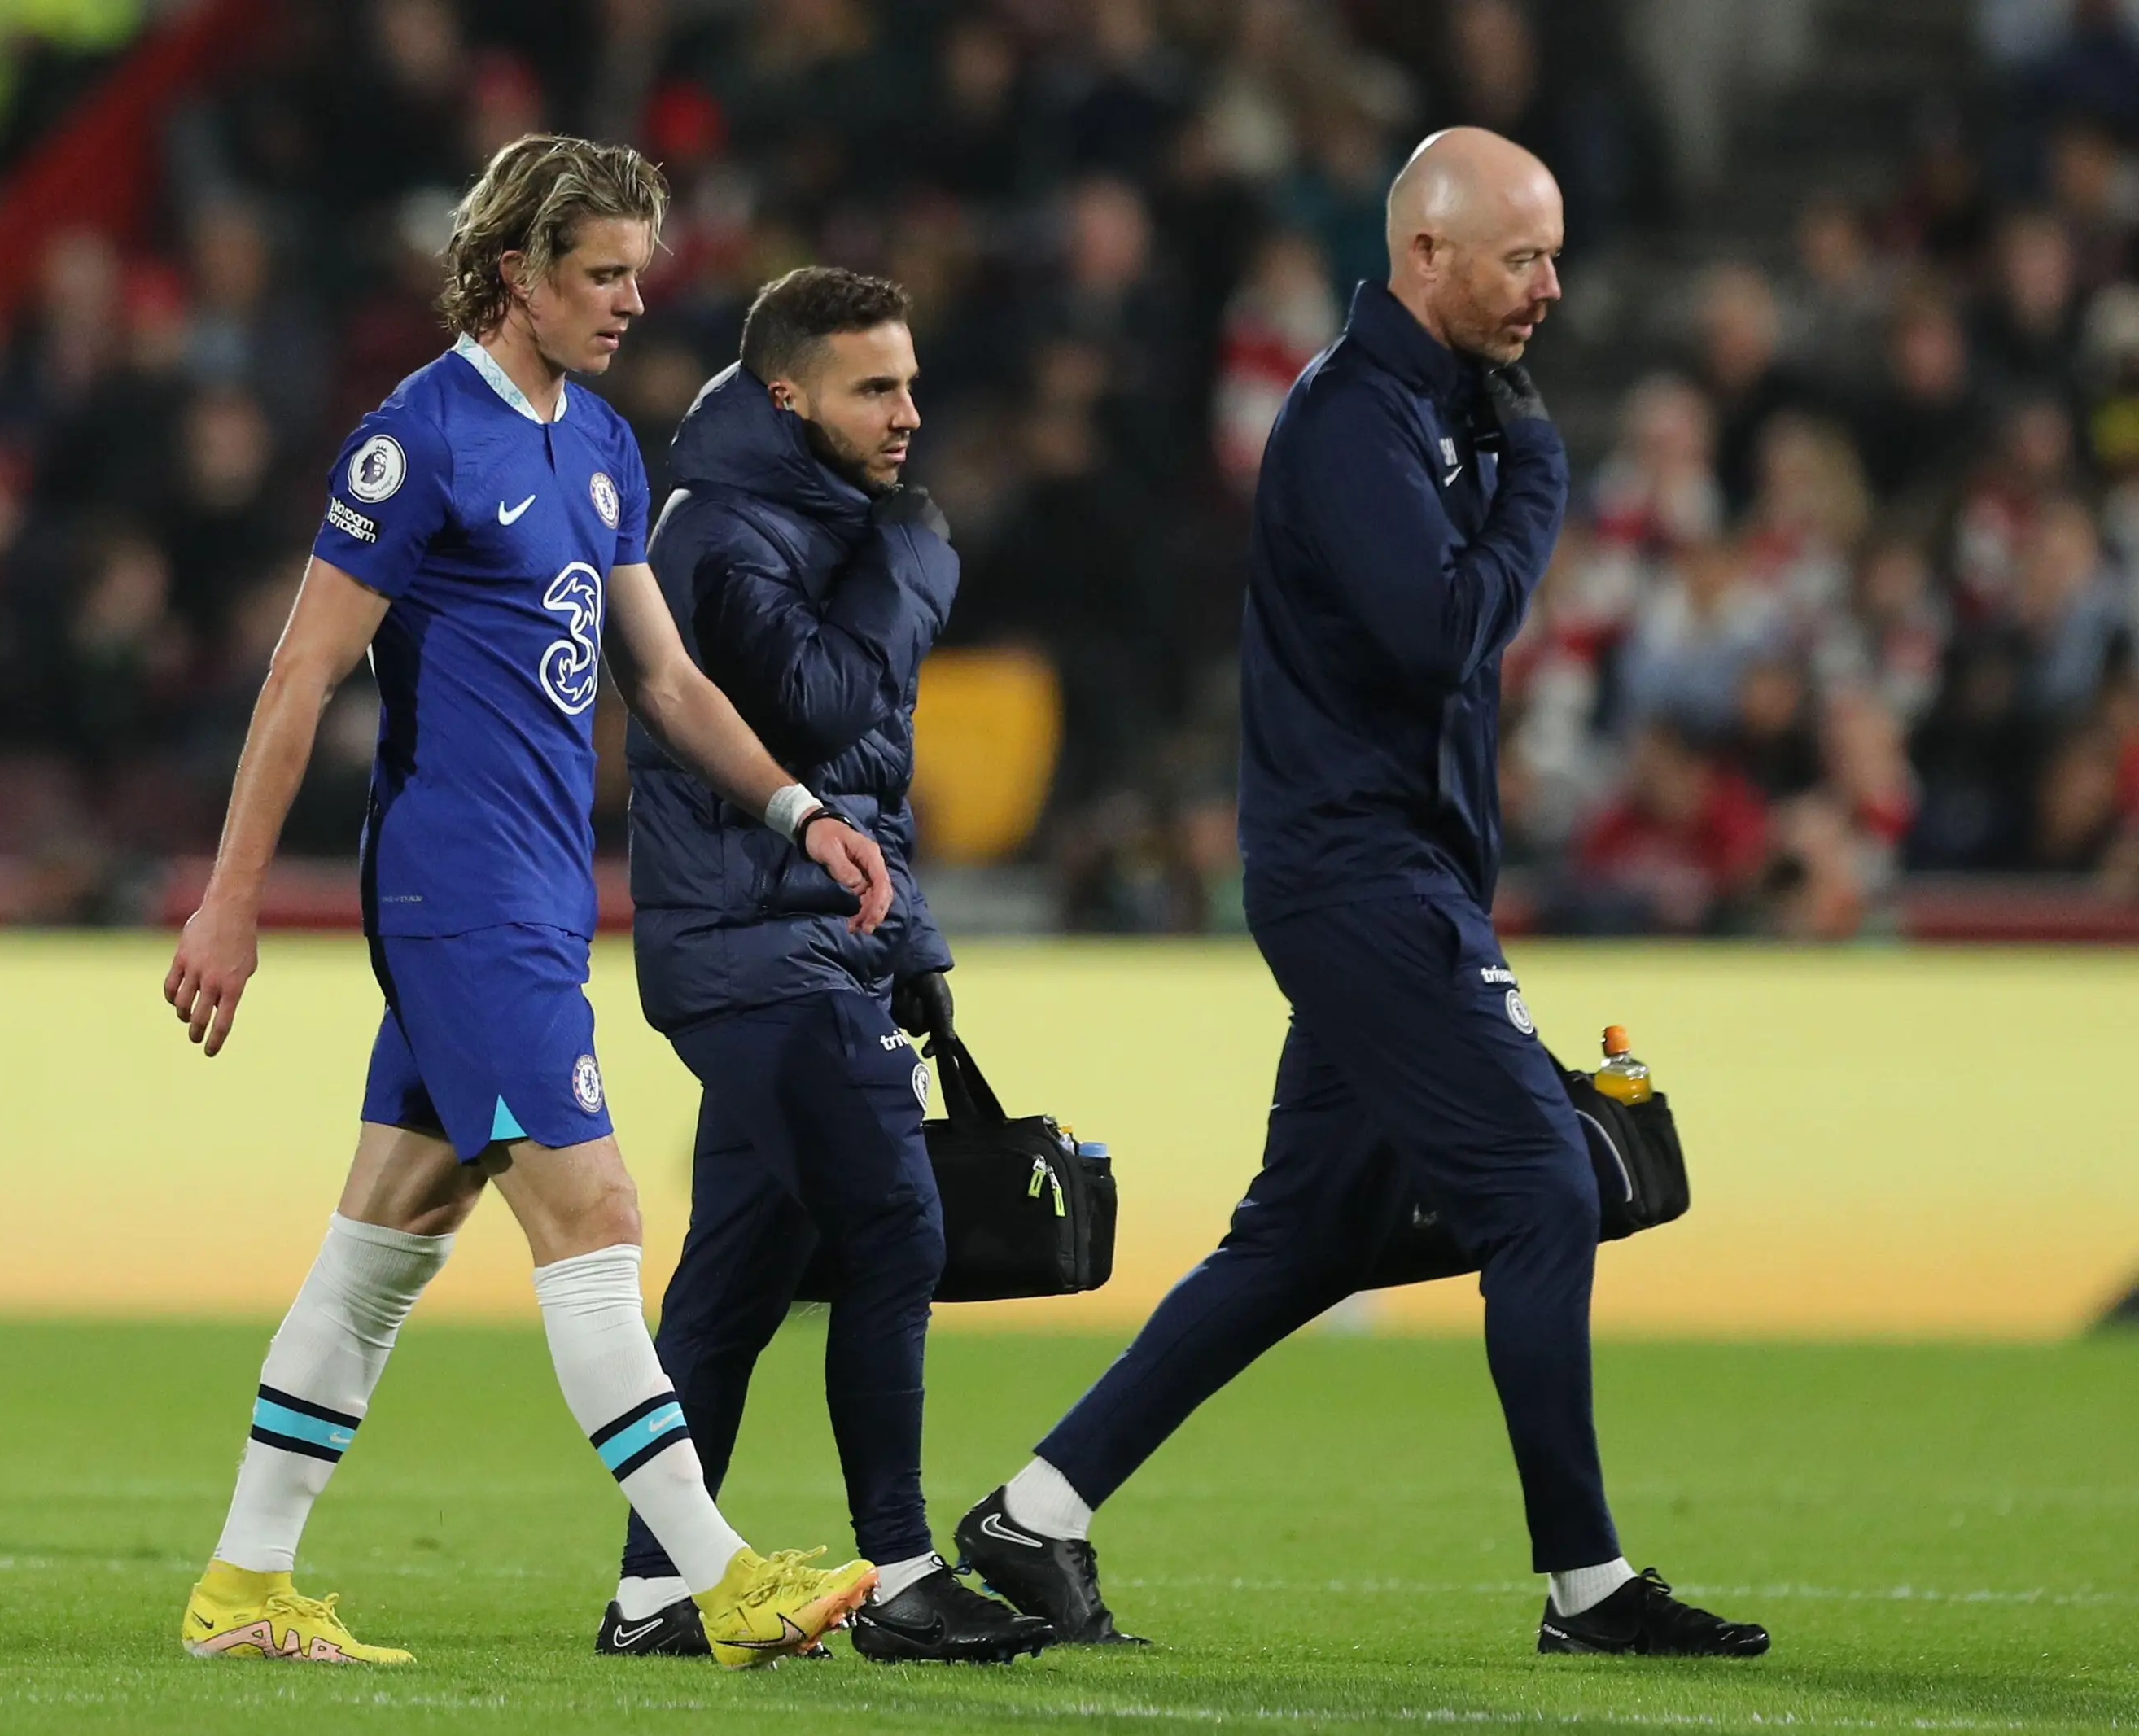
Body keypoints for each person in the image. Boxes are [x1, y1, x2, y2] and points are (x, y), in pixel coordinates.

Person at [951, 129, 1774, 1659]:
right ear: (1425, 256)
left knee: (1306, 1237)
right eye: (1521, 258)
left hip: (1391, 871)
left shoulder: (1434, 411)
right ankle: (1587, 1586)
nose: (1550, 287)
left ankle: (1036, 1512)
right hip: (1362, 877)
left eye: (1556, 255)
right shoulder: (1351, 421)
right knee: (1542, 1186)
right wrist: (1539, 485)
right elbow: (1438, 636)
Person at [162, 134, 895, 1668]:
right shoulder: (418, 439)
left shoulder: (604, 445)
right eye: (604, 274)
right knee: (598, 1215)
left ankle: (242, 1585)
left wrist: (800, 809)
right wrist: (230, 903)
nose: (634, 301)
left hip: (541, 899)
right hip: (460, 897)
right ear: (518, 275)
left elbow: (665, 680)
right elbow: (300, 673)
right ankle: (719, 1577)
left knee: (383, 1247)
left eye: (639, 272)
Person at [598, 267, 1047, 1664]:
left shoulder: (818, 518)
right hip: (754, 950)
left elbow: (860, 777)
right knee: (895, 1230)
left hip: (799, 944)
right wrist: (913, 569)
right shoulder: (721, 534)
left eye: (911, 384)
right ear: (787, 393)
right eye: (875, 389)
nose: (909, 413)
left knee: (739, 1275)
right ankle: (902, 1575)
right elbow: (814, 711)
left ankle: (653, 1596)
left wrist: (908, 947)